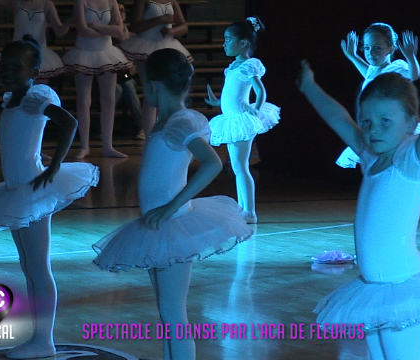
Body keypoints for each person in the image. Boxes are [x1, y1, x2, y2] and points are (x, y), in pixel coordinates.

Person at [298, 40, 420, 360]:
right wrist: (309, 86)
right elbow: (339, 118)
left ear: (410, 122)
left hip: (403, 285)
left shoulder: (411, 158)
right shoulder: (370, 156)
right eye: (368, 120)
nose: (373, 130)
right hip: (373, 288)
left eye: (385, 121)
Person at [92, 48, 253, 360]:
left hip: (173, 226)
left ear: (153, 85)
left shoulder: (179, 122)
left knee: (174, 314)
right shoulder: (168, 121)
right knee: (168, 314)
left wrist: (171, 206)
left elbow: (212, 163)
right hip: (159, 228)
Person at [0, 35, 99, 359]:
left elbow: (69, 122)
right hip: (16, 192)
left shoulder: (36, 96)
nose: (7, 72)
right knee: (29, 265)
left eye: (16, 67)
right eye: (4, 66)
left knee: (38, 267)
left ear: (34, 71)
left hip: (33, 193)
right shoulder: (15, 97)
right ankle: (38, 338)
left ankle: (44, 341)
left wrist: (53, 166)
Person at [204, 16, 280, 224]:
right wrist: (216, 102)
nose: (224, 43)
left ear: (243, 43)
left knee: (240, 166)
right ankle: (243, 208)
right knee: (237, 166)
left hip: (241, 121)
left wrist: (254, 110)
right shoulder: (233, 67)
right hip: (230, 118)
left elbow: (260, 91)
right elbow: (232, 98)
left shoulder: (249, 65)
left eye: (228, 39)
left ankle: (250, 211)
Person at [337, 23, 420, 168]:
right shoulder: (372, 70)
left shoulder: (396, 68)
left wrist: (411, 57)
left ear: (391, 48)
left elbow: (413, 75)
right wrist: (352, 55)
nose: (371, 53)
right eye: (367, 48)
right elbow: (369, 77)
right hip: (374, 126)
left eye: (377, 48)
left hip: (388, 127)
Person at [62, 0, 132, 159]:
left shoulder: (111, 1)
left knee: (109, 99)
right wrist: (107, 30)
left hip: (106, 52)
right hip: (84, 52)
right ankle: (84, 145)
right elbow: (82, 30)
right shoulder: (81, 1)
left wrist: (95, 26)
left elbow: (119, 30)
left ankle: (108, 145)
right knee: (83, 101)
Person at [119, 0, 191, 137]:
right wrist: (160, 20)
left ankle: (163, 130)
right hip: (146, 46)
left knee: (166, 91)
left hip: (167, 45)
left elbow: (183, 26)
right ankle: (149, 134)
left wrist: (172, 30)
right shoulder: (144, 1)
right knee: (151, 92)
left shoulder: (172, 1)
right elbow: (135, 26)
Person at [0, 0, 69, 81]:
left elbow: (59, 31)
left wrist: (69, 22)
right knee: (18, 86)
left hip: (39, 52)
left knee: (38, 88)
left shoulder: (47, 4)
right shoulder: (16, 2)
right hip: (18, 52)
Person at [114, 1, 144, 140]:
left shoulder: (133, 37)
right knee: (117, 90)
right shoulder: (106, 36)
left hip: (127, 76)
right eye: (117, 10)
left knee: (128, 86)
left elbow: (139, 59)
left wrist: (134, 68)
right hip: (110, 75)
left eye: (122, 11)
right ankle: (104, 127)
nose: (119, 13)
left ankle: (141, 127)